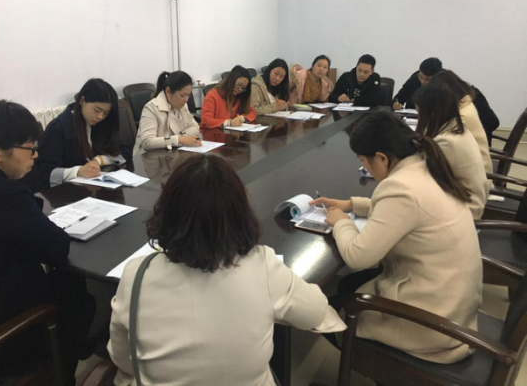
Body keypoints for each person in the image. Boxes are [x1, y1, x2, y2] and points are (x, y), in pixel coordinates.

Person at [108, 154, 345, 385]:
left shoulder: (136, 274)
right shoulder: (263, 265)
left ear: (167, 212)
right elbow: (315, 312)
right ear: (239, 214)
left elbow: (123, 357)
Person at [311, 111, 482, 364]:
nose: (365, 167)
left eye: (363, 160)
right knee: (348, 286)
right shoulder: (424, 166)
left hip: (432, 324)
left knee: (330, 308)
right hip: (454, 304)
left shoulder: (400, 188)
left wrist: (342, 222)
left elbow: (358, 257)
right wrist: (351, 204)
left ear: (381, 158)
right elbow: (407, 212)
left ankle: (376, 367)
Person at [0, 101, 95, 385]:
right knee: (77, 295)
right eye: (30, 148)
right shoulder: (4, 195)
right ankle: (60, 373)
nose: (36, 155)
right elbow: (57, 247)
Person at [36, 78, 133, 190]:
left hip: (97, 187)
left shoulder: (103, 123)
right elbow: (44, 172)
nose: (100, 117)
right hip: (68, 193)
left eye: (106, 113)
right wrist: (78, 171)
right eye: (97, 110)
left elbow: (125, 151)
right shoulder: (59, 128)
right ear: (82, 101)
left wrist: (99, 160)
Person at [414, 82, 490, 219]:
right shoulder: (455, 126)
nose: (420, 118)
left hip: (465, 212)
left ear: (433, 112)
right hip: (462, 200)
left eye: (421, 113)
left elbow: (422, 178)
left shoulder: (447, 142)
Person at [433, 70, 494, 173]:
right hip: (472, 165)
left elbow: (442, 142)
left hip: (478, 173)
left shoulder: (462, 116)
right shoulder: (465, 102)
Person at [133, 71, 201, 156]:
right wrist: (178, 140)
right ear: (168, 91)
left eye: (188, 95)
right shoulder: (151, 108)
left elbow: (195, 127)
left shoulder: (182, 105)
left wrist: (180, 137)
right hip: (148, 157)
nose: (186, 100)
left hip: (171, 153)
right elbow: (147, 142)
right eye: (182, 95)